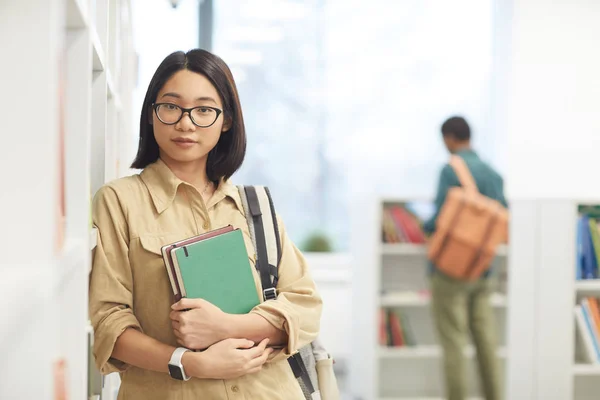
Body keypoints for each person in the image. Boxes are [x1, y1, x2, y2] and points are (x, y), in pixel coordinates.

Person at [89, 49, 322, 400]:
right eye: (171, 106)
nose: (186, 123)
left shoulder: (254, 206)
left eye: (203, 110)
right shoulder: (119, 201)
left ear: (226, 120)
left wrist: (225, 327)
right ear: (151, 114)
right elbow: (108, 324)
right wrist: (191, 362)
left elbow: (305, 307)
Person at [423, 116, 507, 400]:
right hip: (482, 269)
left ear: (449, 138)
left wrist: (423, 227)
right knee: (486, 341)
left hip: (450, 270)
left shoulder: (450, 170)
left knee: (454, 342)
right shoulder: (493, 174)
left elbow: (438, 220)